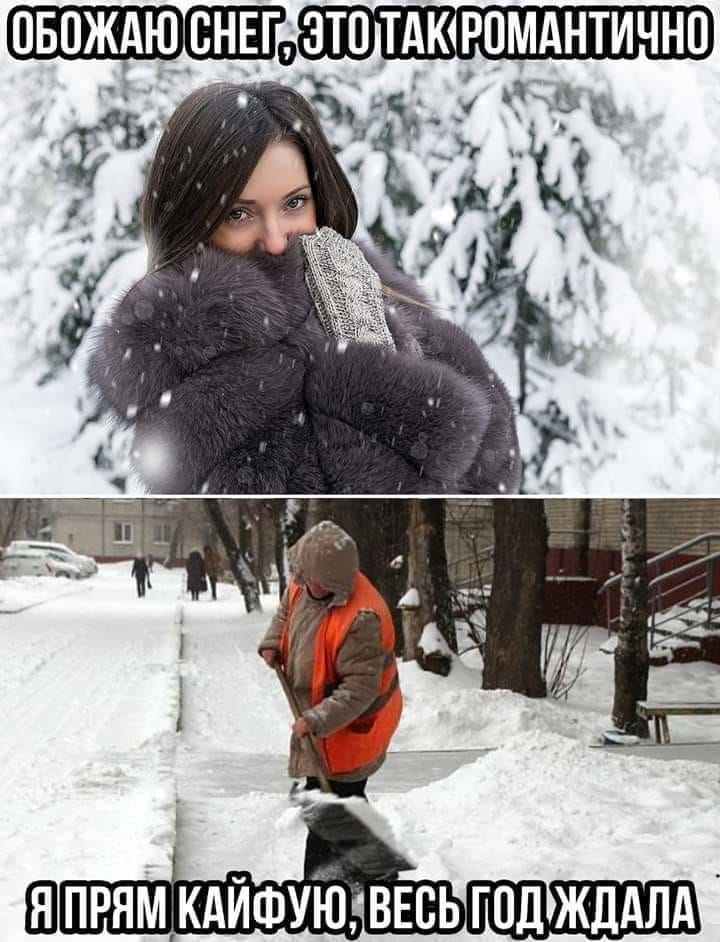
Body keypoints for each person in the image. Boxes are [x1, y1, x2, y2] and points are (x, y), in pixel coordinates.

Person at [86, 81, 520, 495]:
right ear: (191, 221)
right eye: (240, 214)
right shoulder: (183, 351)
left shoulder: (353, 282)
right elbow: (370, 499)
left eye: (294, 203)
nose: (276, 239)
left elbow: (496, 469)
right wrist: (370, 369)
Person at [258, 520, 402, 885]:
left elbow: (359, 690)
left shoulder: (361, 619)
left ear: (334, 583)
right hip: (323, 726)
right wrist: (274, 641)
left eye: (309, 580)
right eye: (301, 576)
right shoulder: (309, 579)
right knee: (337, 803)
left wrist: (317, 719)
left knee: (331, 805)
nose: (302, 584)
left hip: (352, 729)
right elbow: (287, 610)